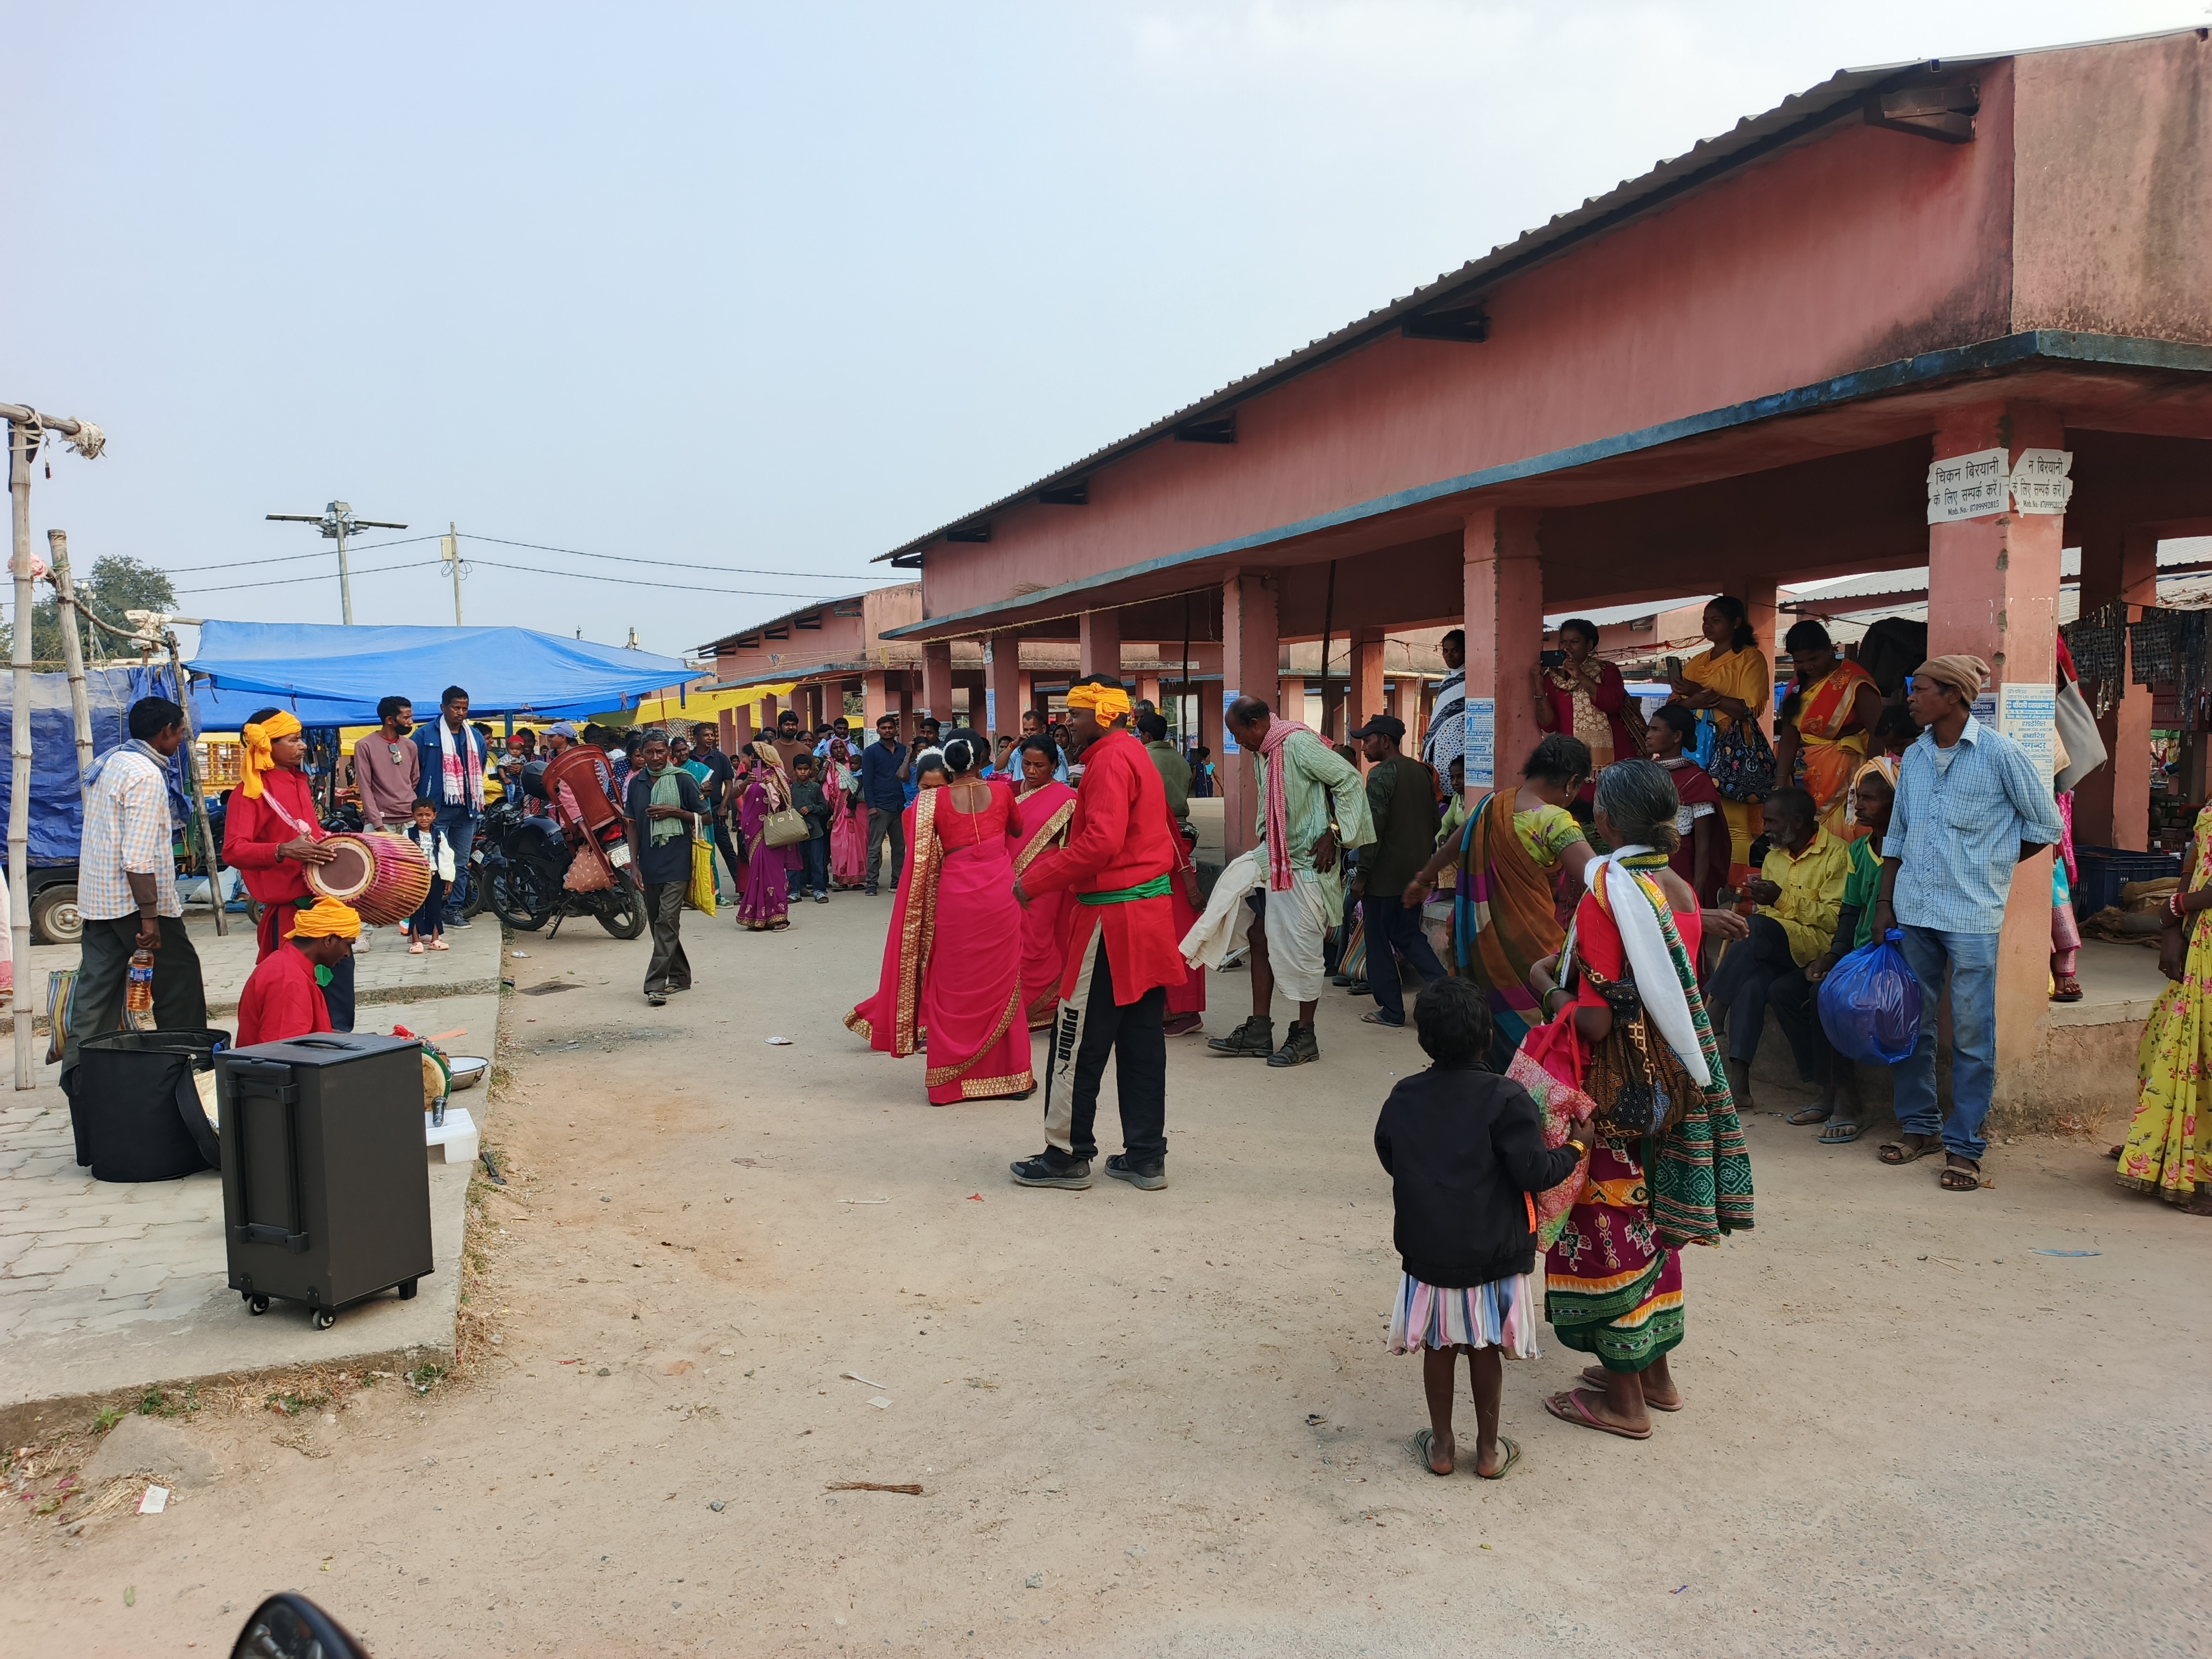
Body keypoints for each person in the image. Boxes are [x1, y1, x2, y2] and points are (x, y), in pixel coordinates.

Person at [1526, 760, 1754, 1440]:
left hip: (1614, 1093)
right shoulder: (1679, 889)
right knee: (1652, 1225)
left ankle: (1622, 1402)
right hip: (1673, 1085)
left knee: (1606, 1226)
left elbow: (1594, 1022)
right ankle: (1656, 1376)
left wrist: (1543, 981)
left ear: (1603, 823)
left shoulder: (1608, 893)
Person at [1376, 978, 1589, 1477]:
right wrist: (1576, 1148)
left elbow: (1391, 1155)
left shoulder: (1404, 1096)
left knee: (1439, 1346)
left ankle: (1443, 1449)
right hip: (1496, 1251)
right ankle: (1490, 1452)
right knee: (1484, 1347)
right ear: (1488, 1037)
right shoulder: (1507, 1098)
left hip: (1429, 1250)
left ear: (1424, 1039)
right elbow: (1534, 1172)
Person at [1873, 654, 2063, 1192]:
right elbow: (1897, 836)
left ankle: (1965, 1145)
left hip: (1973, 914)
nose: (1910, 697)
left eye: (1921, 689)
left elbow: (2045, 824)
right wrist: (1884, 904)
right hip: (1914, 910)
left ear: (1953, 696)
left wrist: (1994, 863)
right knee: (1912, 1023)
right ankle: (1920, 1126)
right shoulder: (1912, 756)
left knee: (1974, 1033)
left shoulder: (2003, 756)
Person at [1009, 678, 1188, 1191]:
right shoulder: (1132, 754)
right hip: (1148, 915)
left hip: (1110, 918)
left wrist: (1035, 880)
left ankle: (1066, 1154)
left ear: (1105, 716)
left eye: (1078, 713)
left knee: (1075, 1035)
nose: (1068, 722)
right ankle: (1146, 1155)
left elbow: (1100, 843)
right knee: (1141, 1041)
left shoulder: (1110, 759)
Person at [847, 731, 1036, 1105]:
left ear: (947, 767)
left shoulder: (930, 803)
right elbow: (1016, 829)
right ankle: (1011, 1077)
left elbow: (916, 847)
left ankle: (949, 1083)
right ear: (980, 760)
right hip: (999, 892)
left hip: (957, 895)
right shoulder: (1001, 794)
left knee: (954, 981)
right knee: (1002, 982)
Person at [1401, 736, 1594, 1071]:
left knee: (1491, 1020)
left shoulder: (1491, 806)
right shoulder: (1554, 821)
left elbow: (1449, 850)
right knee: (1538, 1024)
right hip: (1534, 945)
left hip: (1483, 948)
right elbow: (1601, 881)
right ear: (1572, 782)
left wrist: (1423, 881)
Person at [1206, 696, 1374, 1068]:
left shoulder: (1297, 744)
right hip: (1277, 857)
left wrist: (1335, 832)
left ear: (1255, 723)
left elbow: (1347, 778)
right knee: (1257, 934)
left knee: (1304, 951)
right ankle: (1259, 1030)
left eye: (1237, 735)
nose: (1238, 743)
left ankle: (1304, 1035)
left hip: (1310, 864)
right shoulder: (1262, 752)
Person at [62, 698, 210, 1081]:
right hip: (135, 901)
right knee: (180, 980)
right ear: (165, 732)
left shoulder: (113, 762)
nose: (180, 739)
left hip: (99, 898)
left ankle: (79, 1076)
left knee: (97, 992)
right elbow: (138, 857)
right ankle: (188, 1068)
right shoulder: (144, 774)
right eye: (180, 732)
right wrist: (150, 918)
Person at [1700, 786, 1847, 1109]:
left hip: (1815, 950)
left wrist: (1781, 898)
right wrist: (1768, 905)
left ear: (1797, 821)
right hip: (1773, 947)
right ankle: (1739, 1085)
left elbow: (1834, 919)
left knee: (1757, 928)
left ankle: (1715, 1010)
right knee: (1751, 984)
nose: (1764, 828)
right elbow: (1764, 920)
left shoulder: (1837, 854)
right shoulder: (1772, 857)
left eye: (1771, 822)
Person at [1785, 759, 1895, 1143]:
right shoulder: (1860, 850)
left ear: (1895, 803)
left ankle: (1844, 1097)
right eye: (1857, 798)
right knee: (1794, 990)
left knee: (1826, 996)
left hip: (1895, 955)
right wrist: (1833, 957)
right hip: (1863, 954)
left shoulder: (1907, 852)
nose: (1859, 807)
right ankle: (1830, 1090)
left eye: (1869, 799)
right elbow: (1850, 913)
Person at [224, 708, 354, 1031]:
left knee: (337, 999)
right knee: (294, 1006)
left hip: (323, 910)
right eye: (294, 740)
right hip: (290, 920)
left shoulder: (299, 782)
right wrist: (281, 850)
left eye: (301, 739)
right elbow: (233, 850)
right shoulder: (250, 792)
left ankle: (339, 1055)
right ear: (267, 745)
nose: (303, 746)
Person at [2117, 795, 2212, 1211]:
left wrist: (2175, 908)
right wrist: (2172, 928)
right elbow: (2193, 866)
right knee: (2165, 1043)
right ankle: (2172, 1155)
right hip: (2200, 942)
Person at [1667, 596, 1772, 889]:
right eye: (1705, 620)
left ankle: (1736, 890)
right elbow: (1675, 705)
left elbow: (1746, 710)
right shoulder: (1699, 660)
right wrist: (1693, 700)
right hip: (1693, 746)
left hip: (1730, 748)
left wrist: (1700, 694)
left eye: (1716, 620)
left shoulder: (1749, 659)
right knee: (1689, 821)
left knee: (1734, 825)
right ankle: (1695, 886)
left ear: (1736, 623)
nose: (1707, 626)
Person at [1348, 715, 1445, 1030]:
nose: (1364, 747)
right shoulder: (1421, 772)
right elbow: (1435, 823)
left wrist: (1362, 875)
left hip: (1384, 876)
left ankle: (1391, 1009)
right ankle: (1446, 992)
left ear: (1385, 741)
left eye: (1368, 740)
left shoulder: (1381, 775)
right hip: (1415, 873)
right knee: (1406, 934)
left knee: (1377, 939)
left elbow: (1371, 828)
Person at [1772, 620, 1880, 837]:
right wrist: (1780, 782)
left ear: (1830, 649)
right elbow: (1790, 736)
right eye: (1800, 662)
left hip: (1849, 773)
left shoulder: (1854, 681)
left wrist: (1870, 780)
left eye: (1814, 659)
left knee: (1843, 834)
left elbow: (1878, 733)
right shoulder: (1796, 685)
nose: (1808, 667)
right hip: (1814, 771)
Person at [625, 730, 703, 1006]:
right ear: (642, 754)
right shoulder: (637, 784)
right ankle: (681, 975)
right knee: (660, 925)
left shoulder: (684, 781)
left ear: (669, 753)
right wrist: (633, 866)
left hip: (678, 862)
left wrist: (675, 812)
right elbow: (632, 826)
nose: (656, 757)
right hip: (649, 864)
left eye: (661, 752)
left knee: (667, 921)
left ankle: (655, 985)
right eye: (650, 752)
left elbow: (706, 816)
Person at [1010, 734, 1079, 1030]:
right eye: (1026, 764)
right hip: (1008, 878)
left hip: (1048, 878)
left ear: (1054, 765)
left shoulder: (1067, 799)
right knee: (1014, 941)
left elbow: (1077, 843)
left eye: (1040, 765)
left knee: (1037, 940)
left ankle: (1041, 1002)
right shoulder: (1010, 792)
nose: (1031, 771)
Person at [1533, 618, 1639, 799]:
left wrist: (1580, 675)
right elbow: (1549, 724)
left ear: (1590, 645)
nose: (1567, 648)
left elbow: (1612, 704)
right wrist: (1538, 684)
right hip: (1571, 758)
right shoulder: (1552, 677)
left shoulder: (1607, 671)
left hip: (1611, 756)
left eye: (1574, 642)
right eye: (1563, 642)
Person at [235, 898, 359, 1046]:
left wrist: (361, 1040)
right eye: (348, 945)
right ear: (329, 940)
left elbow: (312, 1034)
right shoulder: (289, 980)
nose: (347, 954)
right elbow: (283, 1052)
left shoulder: (288, 965)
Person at [413, 686, 485, 929]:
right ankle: (427, 910)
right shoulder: (425, 735)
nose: (461, 713)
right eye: (456, 708)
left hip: (467, 809)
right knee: (430, 861)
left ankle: (454, 910)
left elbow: (481, 766)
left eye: (465, 708)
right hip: (436, 811)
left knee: (461, 862)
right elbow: (416, 770)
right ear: (443, 707)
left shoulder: (474, 737)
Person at [1645, 702, 1726, 905]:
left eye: (1656, 730)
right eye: (1649, 729)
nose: (1648, 735)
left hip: (1679, 869)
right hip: (1644, 865)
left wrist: (1697, 891)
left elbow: (1704, 846)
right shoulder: (1645, 773)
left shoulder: (1697, 781)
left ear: (1677, 736)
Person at [737, 740, 799, 932]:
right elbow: (737, 795)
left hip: (771, 832)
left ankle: (778, 917)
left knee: (773, 874)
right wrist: (746, 783)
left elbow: (786, 801)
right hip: (752, 832)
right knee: (756, 874)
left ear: (754, 757)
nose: (743, 761)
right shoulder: (751, 776)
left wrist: (771, 788)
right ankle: (757, 917)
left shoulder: (776, 776)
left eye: (745, 757)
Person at [352, 696, 419, 831]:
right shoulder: (365, 746)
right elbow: (365, 787)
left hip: (409, 819)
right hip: (381, 821)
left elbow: (414, 779)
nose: (410, 722)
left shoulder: (410, 746)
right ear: (390, 720)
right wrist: (377, 823)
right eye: (406, 718)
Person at [860, 714, 909, 895]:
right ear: (878, 730)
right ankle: (871, 884)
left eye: (890, 728)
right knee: (875, 847)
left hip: (900, 805)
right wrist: (871, 805)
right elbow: (868, 780)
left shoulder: (904, 751)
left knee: (899, 848)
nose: (888, 731)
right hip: (880, 806)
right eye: (884, 728)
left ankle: (896, 882)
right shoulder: (871, 752)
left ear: (896, 729)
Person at [400, 799, 457, 954]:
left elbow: (447, 857)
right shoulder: (408, 834)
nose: (424, 818)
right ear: (413, 816)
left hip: (435, 876)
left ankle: (435, 940)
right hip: (416, 878)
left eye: (428, 815)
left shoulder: (439, 835)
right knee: (416, 908)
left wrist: (449, 878)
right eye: (420, 815)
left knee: (435, 908)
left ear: (435, 816)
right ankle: (416, 940)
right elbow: (404, 856)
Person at [1419, 629, 1466, 780]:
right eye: (1445, 651)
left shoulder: (1474, 678)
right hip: (1440, 751)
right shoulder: (1447, 681)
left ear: (1466, 651)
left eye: (1455, 651)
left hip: (1460, 748)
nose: (1449, 655)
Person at [823, 735, 869, 890]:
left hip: (859, 810)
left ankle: (857, 879)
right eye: (835, 748)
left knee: (859, 843)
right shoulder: (831, 769)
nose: (839, 750)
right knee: (840, 844)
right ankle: (842, 880)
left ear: (846, 748)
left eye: (841, 747)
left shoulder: (856, 765)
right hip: (838, 810)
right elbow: (825, 787)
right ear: (831, 751)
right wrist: (827, 763)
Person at [1137, 711, 1191, 830]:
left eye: (1141, 735)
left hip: (1152, 823)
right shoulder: (1181, 760)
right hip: (1180, 824)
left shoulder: (1141, 758)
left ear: (1147, 735)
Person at [788, 753, 831, 904]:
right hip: (794, 833)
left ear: (810, 771)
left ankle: (819, 891)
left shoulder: (815, 788)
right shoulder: (790, 789)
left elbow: (825, 808)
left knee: (817, 862)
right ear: (794, 770)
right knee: (794, 863)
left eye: (806, 769)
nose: (803, 773)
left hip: (815, 832)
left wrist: (811, 808)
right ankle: (794, 891)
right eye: (799, 769)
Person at [771, 709, 811, 774]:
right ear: (780, 727)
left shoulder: (806, 750)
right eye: (787, 725)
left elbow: (813, 776)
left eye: (793, 724)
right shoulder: (771, 749)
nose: (791, 727)